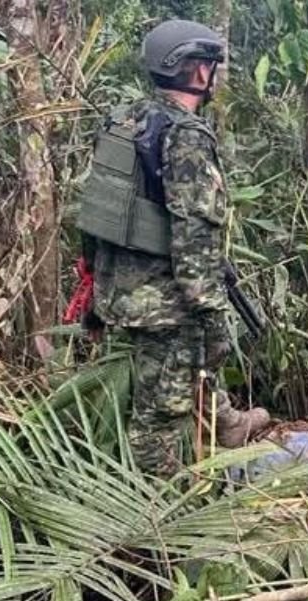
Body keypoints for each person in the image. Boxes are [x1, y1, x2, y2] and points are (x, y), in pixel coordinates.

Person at [72, 19, 269, 474]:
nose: (214, 75)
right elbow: (196, 231)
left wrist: (95, 293)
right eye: (212, 66)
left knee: (181, 369)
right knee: (159, 416)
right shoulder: (186, 134)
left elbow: (95, 209)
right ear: (198, 72)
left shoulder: (123, 120)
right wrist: (211, 311)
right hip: (166, 301)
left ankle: (228, 423)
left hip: (119, 287)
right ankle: (159, 515)